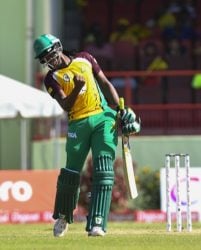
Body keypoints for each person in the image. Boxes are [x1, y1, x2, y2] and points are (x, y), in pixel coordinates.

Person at [33, 34, 140, 237]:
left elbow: (106, 83)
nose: (49, 60)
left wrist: (119, 109)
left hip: (102, 117)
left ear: (58, 47)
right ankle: (63, 216)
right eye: (44, 58)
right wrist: (78, 88)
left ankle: (97, 222)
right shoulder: (51, 79)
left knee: (104, 169)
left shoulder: (85, 58)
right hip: (77, 123)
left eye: (50, 54)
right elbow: (65, 105)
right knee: (71, 173)